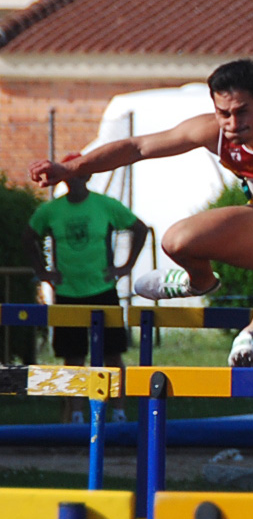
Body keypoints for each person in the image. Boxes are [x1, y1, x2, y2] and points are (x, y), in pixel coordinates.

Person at [28, 58, 253, 368]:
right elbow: (138, 147)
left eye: (242, 113)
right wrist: (73, 169)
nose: (233, 126)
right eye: (224, 114)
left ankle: (251, 336)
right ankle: (199, 281)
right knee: (178, 239)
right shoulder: (216, 131)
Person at [23, 153, 149, 423]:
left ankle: (118, 411)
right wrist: (43, 271)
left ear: (88, 175)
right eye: (68, 173)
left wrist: (124, 267)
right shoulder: (52, 210)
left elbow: (139, 229)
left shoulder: (104, 206)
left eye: (78, 173)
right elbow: (29, 236)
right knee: (73, 356)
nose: (74, 179)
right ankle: (77, 413)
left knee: (112, 353)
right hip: (68, 292)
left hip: (102, 289)